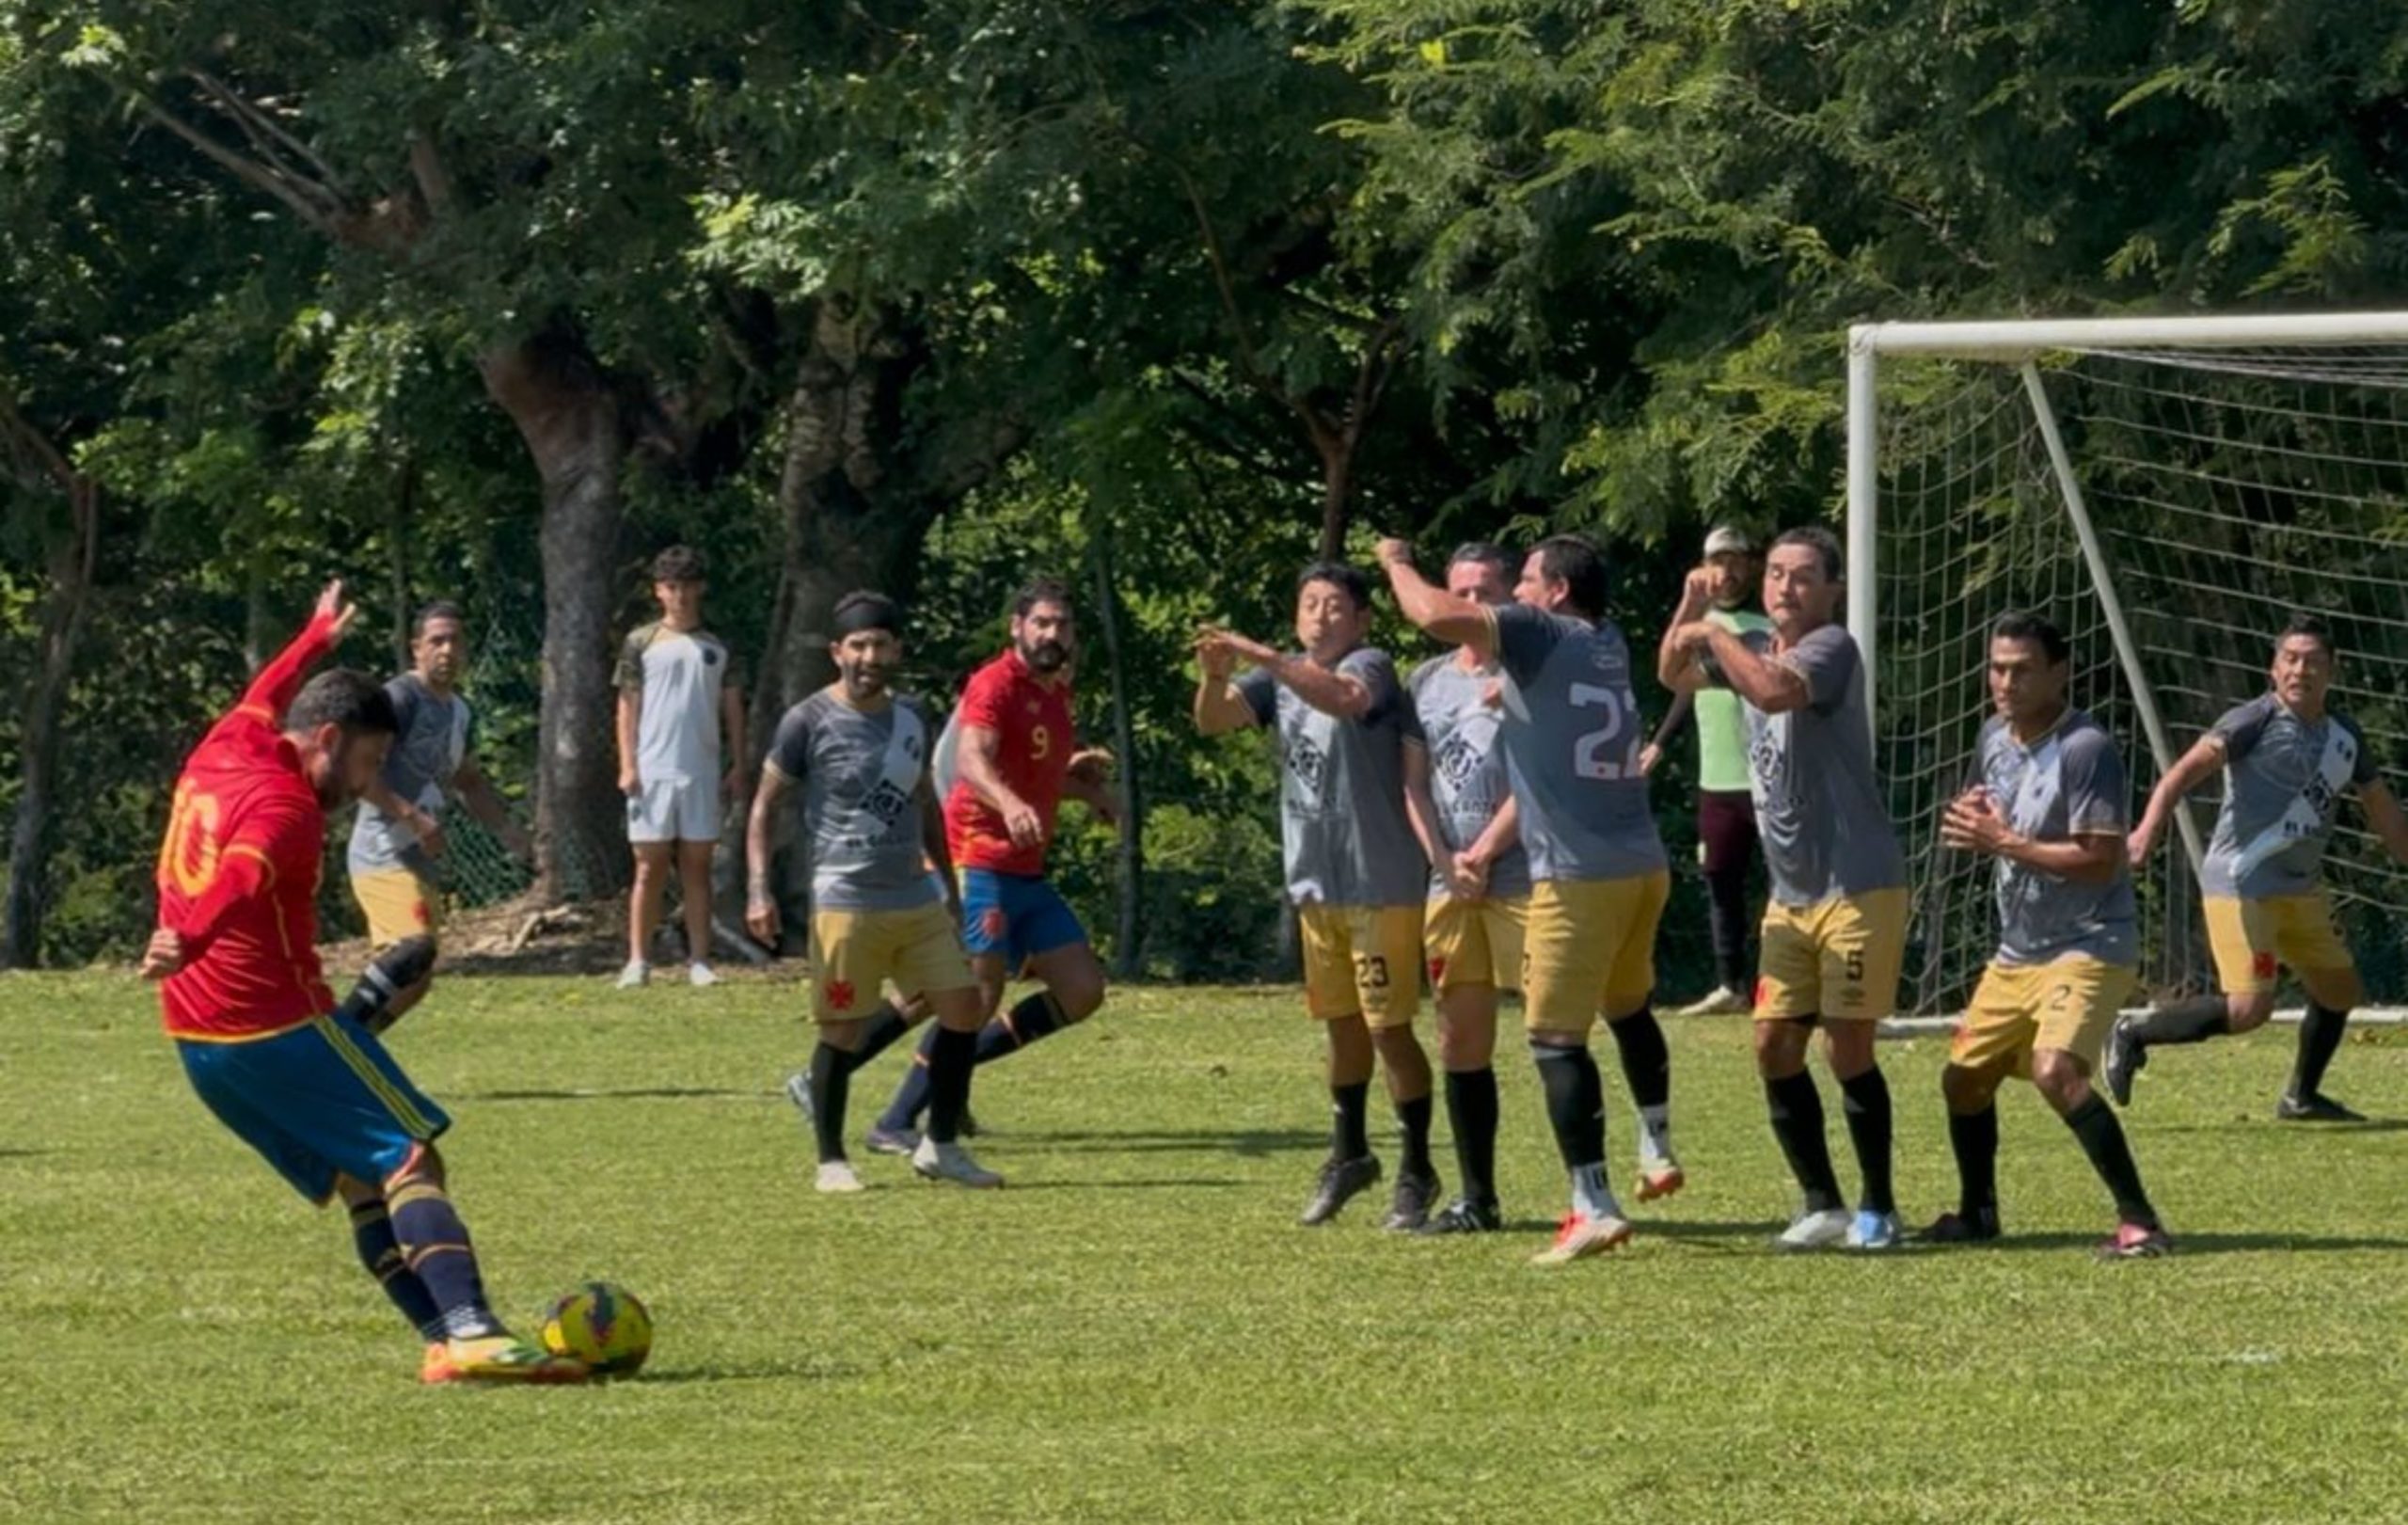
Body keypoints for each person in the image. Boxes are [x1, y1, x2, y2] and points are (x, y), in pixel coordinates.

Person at [145, 580, 585, 1383]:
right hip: (272, 1022)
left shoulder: (227, 745)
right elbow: (243, 878)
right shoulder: (289, 807)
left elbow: (262, 691)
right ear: (326, 739)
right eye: (369, 760)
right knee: (410, 1156)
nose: (366, 780)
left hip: (198, 1042)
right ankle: (474, 1329)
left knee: (361, 1182)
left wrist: (315, 634)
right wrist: (188, 936)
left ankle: (441, 1341)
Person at [1382, 532, 1676, 1265]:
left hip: (1574, 873)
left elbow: (1428, 614)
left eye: (1526, 582)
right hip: (1637, 860)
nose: (1512, 599)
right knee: (1624, 1007)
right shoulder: (1602, 639)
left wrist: (1395, 563)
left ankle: (1592, 1204)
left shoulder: (1536, 628)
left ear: (1554, 593)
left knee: (1554, 1038)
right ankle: (1651, 1144)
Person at [1661, 525, 1907, 1252]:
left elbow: (1771, 693)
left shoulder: (1830, 648)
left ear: (1832, 589)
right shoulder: (1749, 646)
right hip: (1791, 895)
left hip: (1856, 885)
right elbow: (1672, 673)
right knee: (1772, 1043)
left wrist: (1714, 629)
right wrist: (1687, 607)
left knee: (1848, 1047)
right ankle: (1821, 1202)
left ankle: (1878, 1209)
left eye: (1801, 576)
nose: (1783, 587)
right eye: (1774, 574)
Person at [1193, 564, 1438, 1231]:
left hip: (1377, 882)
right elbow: (1213, 721)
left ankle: (1418, 1166)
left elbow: (1343, 699)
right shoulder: (1280, 678)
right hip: (1317, 883)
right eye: (1309, 603)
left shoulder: (1372, 663)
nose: (1320, 615)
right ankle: (1350, 1153)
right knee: (1341, 1025)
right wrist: (1217, 674)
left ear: (1361, 619)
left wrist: (1260, 654)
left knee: (1390, 1029)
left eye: (1335, 605)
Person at [1926, 613, 2172, 1259]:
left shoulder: (2086, 747)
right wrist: (1979, 821)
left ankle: (2140, 1221)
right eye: (1997, 667)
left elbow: (2102, 859)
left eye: (2022, 668)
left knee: (2055, 1070)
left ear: (2058, 673)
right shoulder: (1994, 738)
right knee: (1963, 1081)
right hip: (2019, 951)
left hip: (2089, 941)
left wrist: (2004, 841)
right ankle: (1979, 1212)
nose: (2005, 681)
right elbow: (2000, 814)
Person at [745, 591, 1002, 1193]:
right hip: (844, 900)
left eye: (880, 644)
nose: (869, 655)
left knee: (963, 1006)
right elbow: (762, 807)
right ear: (838, 652)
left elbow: (926, 805)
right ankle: (831, 1159)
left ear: (896, 650)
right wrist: (759, 888)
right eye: (858, 645)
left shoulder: (912, 717)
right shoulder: (807, 720)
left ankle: (939, 1145)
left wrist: (949, 886)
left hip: (914, 896)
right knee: (843, 1031)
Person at [2108, 613, 2408, 1120]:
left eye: (2312, 661)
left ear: (2332, 671)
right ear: (2274, 668)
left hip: (2300, 890)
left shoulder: (2345, 738)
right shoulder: (2252, 722)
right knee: (2249, 1011)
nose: (2300, 670)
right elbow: (2181, 773)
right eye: (2290, 659)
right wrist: (2146, 829)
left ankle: (2301, 1098)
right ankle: (2133, 1032)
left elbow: (2386, 818)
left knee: (2339, 991)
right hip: (2241, 884)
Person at [858, 578, 1121, 1151]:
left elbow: (1037, 775)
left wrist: (1087, 792)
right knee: (971, 996)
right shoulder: (995, 683)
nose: (1053, 633)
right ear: (1018, 627)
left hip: (1025, 871)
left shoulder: (1055, 693)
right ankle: (895, 1120)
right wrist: (1010, 803)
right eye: (1042, 622)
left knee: (1081, 991)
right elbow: (974, 759)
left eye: (1062, 624)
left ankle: (946, 1076)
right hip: (976, 859)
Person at [1398, 544, 1528, 1235]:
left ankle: (1589, 1191)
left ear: (1510, 597)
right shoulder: (1426, 680)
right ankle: (1479, 1197)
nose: (1471, 602)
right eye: (1460, 590)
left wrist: (1483, 849)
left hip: (1525, 876)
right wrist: (1446, 859)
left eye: (1486, 590)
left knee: (1555, 1030)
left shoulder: (1531, 669)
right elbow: (1414, 783)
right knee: (1459, 1036)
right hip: (1450, 881)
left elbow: (1541, 779)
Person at [345, 600, 532, 1025]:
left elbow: (467, 779)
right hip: (381, 853)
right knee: (410, 950)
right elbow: (360, 772)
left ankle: (356, 1044)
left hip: (418, 857)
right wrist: (410, 816)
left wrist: (508, 831)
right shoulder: (399, 698)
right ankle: (338, 1041)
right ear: (416, 648)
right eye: (437, 641)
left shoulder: (460, 711)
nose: (447, 650)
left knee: (418, 977)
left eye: (455, 641)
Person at [1640, 526, 1772, 1016]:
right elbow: (1680, 681)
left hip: (1768, 777)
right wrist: (1659, 743)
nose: (1728, 571)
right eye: (1719, 560)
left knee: (1785, 880)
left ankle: (1780, 984)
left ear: (1753, 566)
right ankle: (1729, 984)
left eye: (1738, 560)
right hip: (1718, 776)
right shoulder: (1698, 623)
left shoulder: (1769, 624)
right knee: (1721, 880)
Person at [616, 546, 746, 989]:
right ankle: (637, 960)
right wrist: (628, 764)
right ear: (659, 592)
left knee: (696, 865)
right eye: (673, 587)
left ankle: (699, 960)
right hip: (652, 771)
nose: (681, 596)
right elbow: (627, 705)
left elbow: (732, 708)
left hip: (702, 770)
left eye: (688, 587)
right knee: (649, 866)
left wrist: (739, 763)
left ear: (701, 589)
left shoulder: (717, 647)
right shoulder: (641, 642)